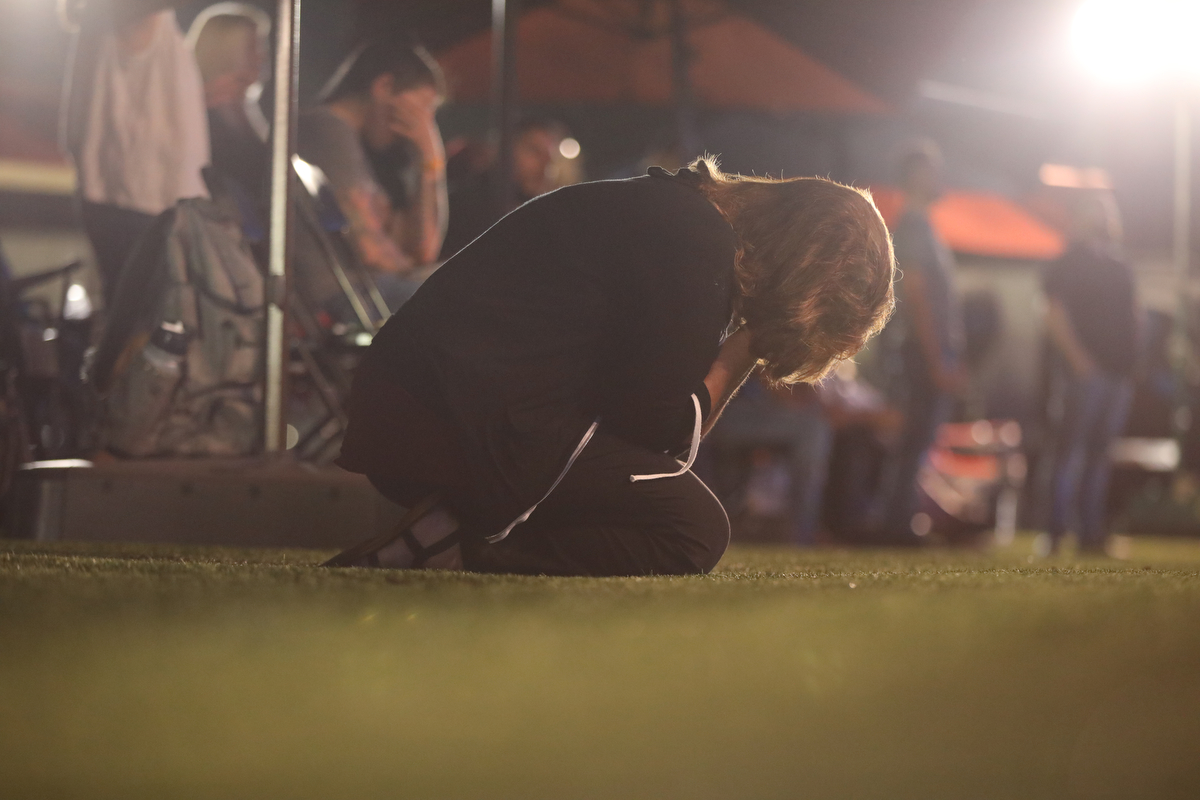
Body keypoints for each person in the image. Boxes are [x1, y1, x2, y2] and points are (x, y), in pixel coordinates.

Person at [331, 158, 896, 576]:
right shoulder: (697, 242)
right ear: (805, 278)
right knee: (692, 529)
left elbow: (641, 424)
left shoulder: (684, 219)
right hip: (448, 420)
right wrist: (748, 345)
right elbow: (657, 435)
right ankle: (458, 547)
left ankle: (447, 533)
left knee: (659, 503)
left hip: (420, 405)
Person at [58, 0, 211, 300]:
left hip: (133, 200)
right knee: (143, 315)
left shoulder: (116, 18)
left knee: (135, 311)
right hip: (138, 202)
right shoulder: (128, 14)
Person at [295, 39, 448, 314]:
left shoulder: (365, 149)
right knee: (458, 302)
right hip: (344, 298)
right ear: (384, 87)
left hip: (367, 292)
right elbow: (372, 251)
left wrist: (431, 161)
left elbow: (424, 250)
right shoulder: (326, 129)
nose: (422, 126)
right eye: (421, 111)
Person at [875, 141, 965, 544]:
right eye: (933, 171)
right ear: (915, 177)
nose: (940, 178)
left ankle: (900, 520)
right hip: (918, 353)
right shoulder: (912, 227)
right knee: (913, 438)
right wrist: (937, 359)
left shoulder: (923, 226)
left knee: (917, 440)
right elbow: (916, 295)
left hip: (924, 352)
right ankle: (897, 524)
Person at [1043, 193, 1136, 555]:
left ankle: (1091, 533)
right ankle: (1055, 532)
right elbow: (1054, 312)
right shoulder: (1067, 262)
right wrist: (1079, 360)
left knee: (1100, 455)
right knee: (1070, 451)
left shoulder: (1119, 264)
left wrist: (1131, 363)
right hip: (1083, 374)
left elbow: (1133, 313)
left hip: (1117, 374)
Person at [439, 118, 574, 260]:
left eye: (550, 156)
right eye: (534, 150)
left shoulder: (546, 212)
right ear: (507, 150)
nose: (545, 163)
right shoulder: (467, 205)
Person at [186, 3, 271, 203]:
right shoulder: (196, 111)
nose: (262, 55)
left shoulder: (245, 106)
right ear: (225, 49)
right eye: (252, 46)